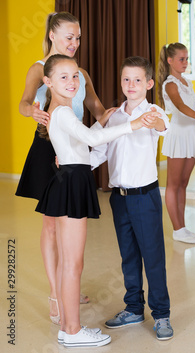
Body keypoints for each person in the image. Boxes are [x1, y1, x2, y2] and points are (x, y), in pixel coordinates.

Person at [35, 54, 155, 347]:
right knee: (73, 264)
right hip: (72, 183)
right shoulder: (62, 113)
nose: (72, 81)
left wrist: (104, 124)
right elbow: (93, 140)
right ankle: (73, 331)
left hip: (69, 179)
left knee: (68, 263)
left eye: (75, 76)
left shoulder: (61, 111)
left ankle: (67, 327)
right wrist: (132, 124)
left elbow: (81, 146)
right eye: (63, 77)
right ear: (48, 82)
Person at [16, 12, 105, 325]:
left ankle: (69, 282)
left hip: (73, 149)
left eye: (78, 38)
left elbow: (97, 109)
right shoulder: (39, 69)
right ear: (52, 35)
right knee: (52, 224)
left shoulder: (79, 73)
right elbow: (24, 102)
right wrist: (33, 113)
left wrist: (129, 114)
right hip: (47, 147)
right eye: (70, 36)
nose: (75, 43)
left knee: (73, 223)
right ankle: (55, 292)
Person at [90, 56, 173, 340]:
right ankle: (133, 308)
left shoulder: (154, 113)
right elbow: (99, 151)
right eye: (126, 79)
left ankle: (161, 314)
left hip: (144, 197)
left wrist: (154, 122)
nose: (131, 85)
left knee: (153, 257)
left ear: (149, 83)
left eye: (138, 80)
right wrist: (73, 164)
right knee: (128, 256)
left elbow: (164, 128)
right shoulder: (113, 116)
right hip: (119, 198)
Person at [157, 42, 195, 244]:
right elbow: (180, 107)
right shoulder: (170, 83)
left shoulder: (187, 82)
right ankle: (177, 229)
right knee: (173, 184)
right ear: (170, 60)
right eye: (181, 59)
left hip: (192, 135)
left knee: (183, 184)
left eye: (187, 58)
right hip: (178, 135)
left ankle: (183, 228)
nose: (185, 62)